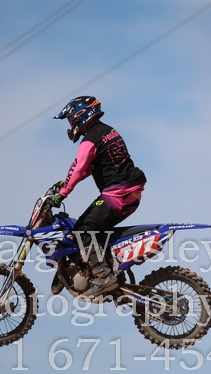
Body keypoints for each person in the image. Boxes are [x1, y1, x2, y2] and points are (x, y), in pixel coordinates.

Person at [52, 96, 146, 297]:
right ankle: (106, 268)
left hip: (116, 195)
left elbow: (78, 168)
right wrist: (65, 182)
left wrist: (62, 193)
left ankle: (104, 276)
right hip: (132, 194)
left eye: (70, 119)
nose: (70, 124)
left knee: (81, 231)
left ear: (81, 116)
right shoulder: (109, 131)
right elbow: (91, 166)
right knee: (97, 233)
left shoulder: (90, 139)